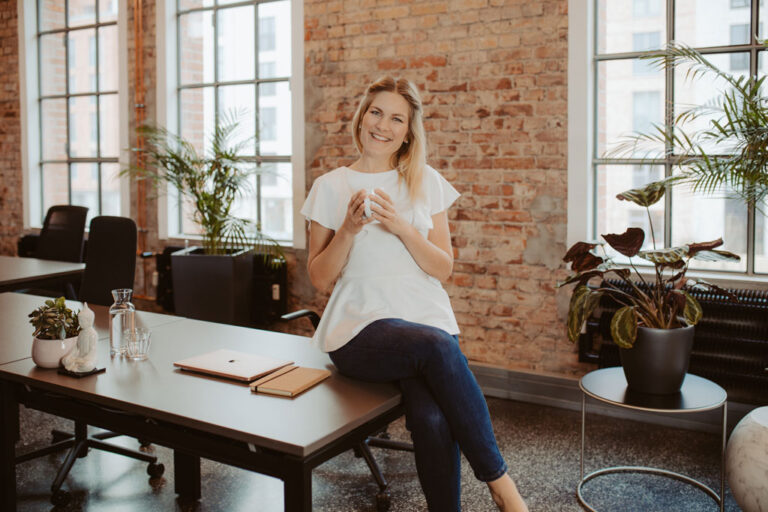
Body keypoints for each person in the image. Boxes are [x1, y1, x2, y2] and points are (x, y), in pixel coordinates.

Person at [300, 76, 529, 512]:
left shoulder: (426, 182)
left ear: (409, 131)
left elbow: (443, 267)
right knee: (438, 346)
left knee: (432, 418)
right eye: (376, 112)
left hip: (425, 325)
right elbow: (320, 278)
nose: (383, 125)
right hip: (361, 328)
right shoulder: (330, 186)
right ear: (362, 116)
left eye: (396, 118)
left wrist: (402, 226)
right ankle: (501, 485)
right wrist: (348, 229)